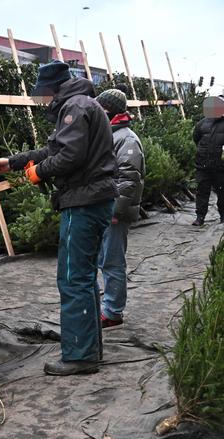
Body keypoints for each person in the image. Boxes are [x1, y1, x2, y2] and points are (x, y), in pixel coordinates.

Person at [0, 61, 118, 376]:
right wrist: (16, 161)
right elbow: (54, 148)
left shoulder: (74, 107)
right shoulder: (83, 103)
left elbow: (68, 156)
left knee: (74, 278)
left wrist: (38, 172)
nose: (43, 101)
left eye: (43, 95)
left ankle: (79, 356)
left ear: (51, 88)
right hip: (92, 198)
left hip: (83, 201)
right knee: (84, 277)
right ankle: (88, 348)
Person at [95, 89, 145, 328]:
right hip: (101, 207)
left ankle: (113, 311)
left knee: (112, 261)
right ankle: (106, 305)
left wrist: (115, 212)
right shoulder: (108, 133)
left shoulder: (127, 138)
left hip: (114, 211)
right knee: (102, 258)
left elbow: (128, 180)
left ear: (109, 111)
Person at [192, 95, 224, 226]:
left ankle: (223, 216)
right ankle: (200, 217)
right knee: (202, 192)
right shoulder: (202, 123)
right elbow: (196, 138)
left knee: (222, 192)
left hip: (220, 167)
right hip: (203, 166)